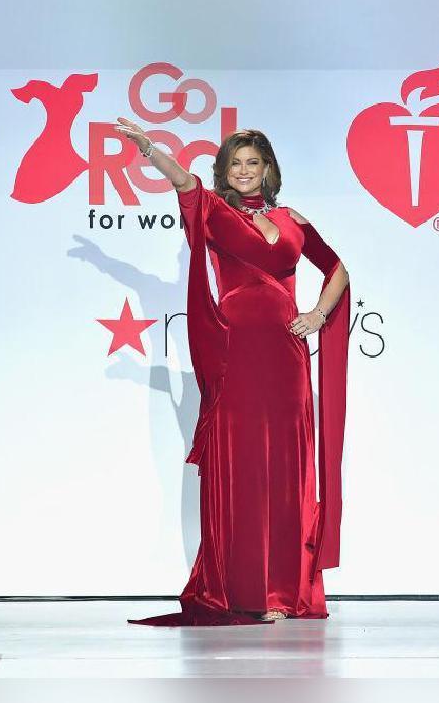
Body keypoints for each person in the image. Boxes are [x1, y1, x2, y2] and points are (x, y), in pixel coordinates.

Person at [116, 118, 351, 625]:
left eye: (253, 162)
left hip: (286, 361)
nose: (244, 171)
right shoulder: (213, 212)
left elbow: (337, 269)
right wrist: (151, 150)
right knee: (241, 470)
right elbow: (183, 182)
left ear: (268, 169)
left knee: (286, 473)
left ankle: (282, 592)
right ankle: (244, 589)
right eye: (235, 164)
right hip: (236, 356)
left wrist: (316, 315)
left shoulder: (293, 219)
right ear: (224, 172)